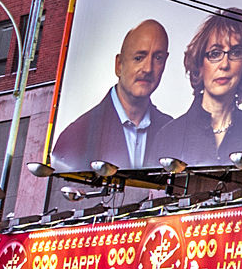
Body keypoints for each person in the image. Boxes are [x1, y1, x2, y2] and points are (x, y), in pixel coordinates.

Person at [148, 8, 242, 166]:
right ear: (199, 63)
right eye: (215, 53)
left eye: (235, 53)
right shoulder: (169, 135)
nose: (224, 64)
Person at [51, 20, 171, 171]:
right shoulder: (77, 135)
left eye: (158, 58)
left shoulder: (172, 131)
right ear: (119, 65)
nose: (148, 68)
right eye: (139, 58)